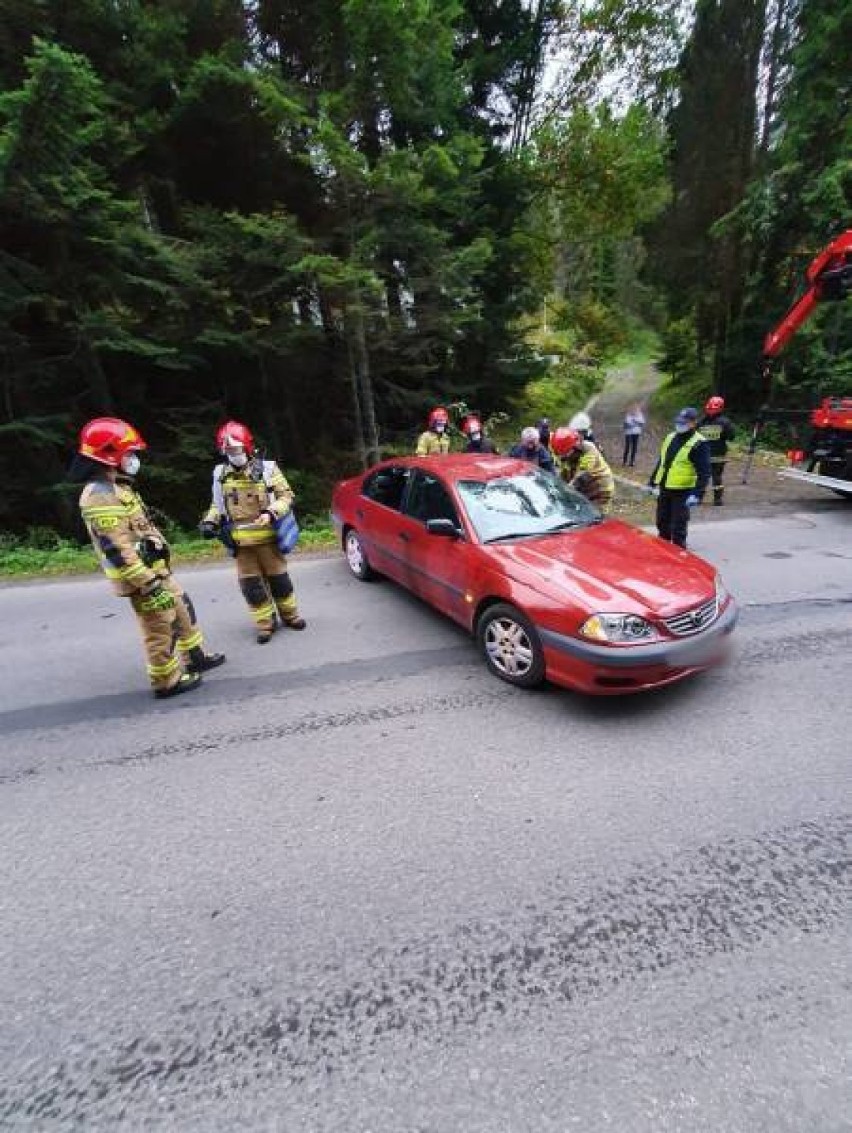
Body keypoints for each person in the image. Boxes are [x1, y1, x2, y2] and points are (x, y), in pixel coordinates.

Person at [75, 417, 225, 699]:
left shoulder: (118, 486)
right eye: (129, 453)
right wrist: (148, 582)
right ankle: (166, 681)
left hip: (154, 570)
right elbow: (117, 548)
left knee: (181, 607)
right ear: (110, 455)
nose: (133, 459)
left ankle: (195, 656)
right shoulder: (99, 496)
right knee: (159, 624)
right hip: (141, 578)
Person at [199, 421, 306, 644]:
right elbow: (217, 505)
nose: (232, 454)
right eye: (228, 450)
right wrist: (209, 522)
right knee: (252, 587)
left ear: (247, 447)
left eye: (236, 449)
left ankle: (291, 616)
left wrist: (271, 512)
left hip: (268, 540)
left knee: (280, 582)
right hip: (241, 546)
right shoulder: (220, 475)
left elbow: (287, 496)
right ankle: (265, 625)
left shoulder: (268, 469)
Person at [648, 407, 710, 548]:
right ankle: (663, 551)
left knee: (678, 526)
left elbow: (704, 472)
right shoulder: (670, 437)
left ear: (693, 423)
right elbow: (662, 461)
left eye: (684, 422)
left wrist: (697, 494)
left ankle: (679, 554)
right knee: (662, 522)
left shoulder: (699, 443)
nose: (680, 425)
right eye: (679, 422)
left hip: (683, 491)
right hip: (665, 487)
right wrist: (652, 482)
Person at [551, 427, 615, 513]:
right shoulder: (564, 455)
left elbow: (582, 474)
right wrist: (555, 487)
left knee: (595, 515)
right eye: (561, 454)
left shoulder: (588, 449)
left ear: (574, 446)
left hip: (600, 487)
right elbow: (564, 473)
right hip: (583, 487)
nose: (563, 457)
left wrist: (567, 489)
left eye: (565, 454)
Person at [698, 395, 736, 505]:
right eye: (709, 408)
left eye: (712, 408)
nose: (710, 410)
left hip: (714, 455)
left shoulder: (704, 421)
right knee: (706, 477)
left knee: (713, 478)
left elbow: (731, 436)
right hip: (707, 455)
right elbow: (731, 436)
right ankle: (704, 498)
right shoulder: (723, 422)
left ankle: (715, 499)